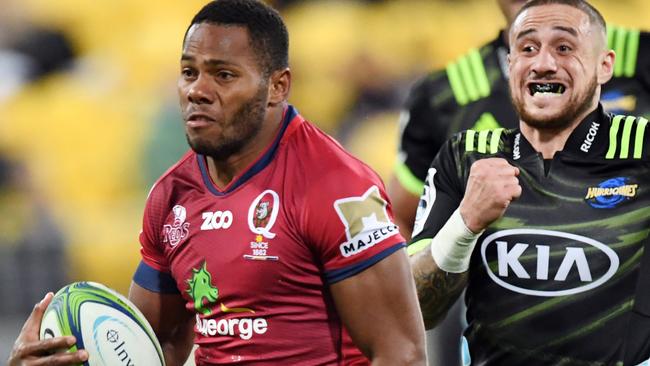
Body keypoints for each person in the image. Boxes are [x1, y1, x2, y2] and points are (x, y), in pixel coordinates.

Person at [8, 1, 427, 365]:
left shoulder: (337, 187)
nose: (197, 91)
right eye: (189, 72)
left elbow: (401, 354)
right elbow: (156, 345)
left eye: (223, 75)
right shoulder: (171, 197)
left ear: (277, 86)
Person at [409, 0, 650, 364]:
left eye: (564, 48)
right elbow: (416, 310)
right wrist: (464, 224)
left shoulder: (643, 151)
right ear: (511, 65)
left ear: (605, 66)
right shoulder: (465, 157)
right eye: (527, 48)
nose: (543, 63)